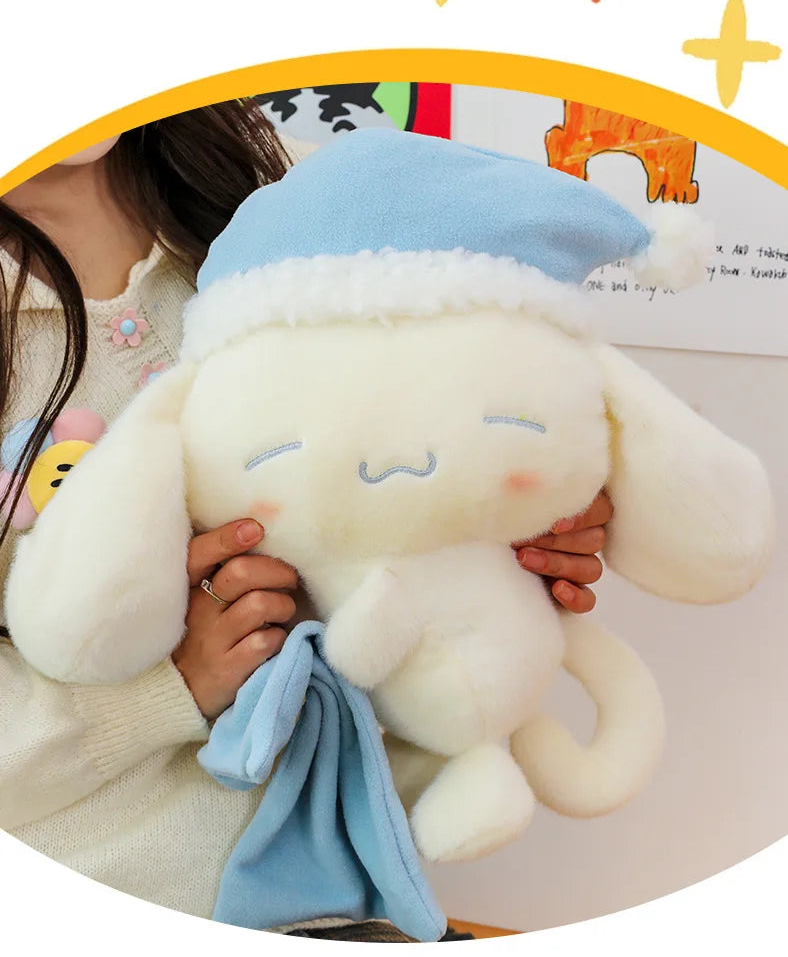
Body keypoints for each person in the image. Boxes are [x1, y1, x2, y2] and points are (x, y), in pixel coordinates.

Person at [0, 101, 612, 936]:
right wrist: (168, 685)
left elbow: (451, 423)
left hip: (361, 876)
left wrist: (509, 511)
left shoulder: (306, 191)